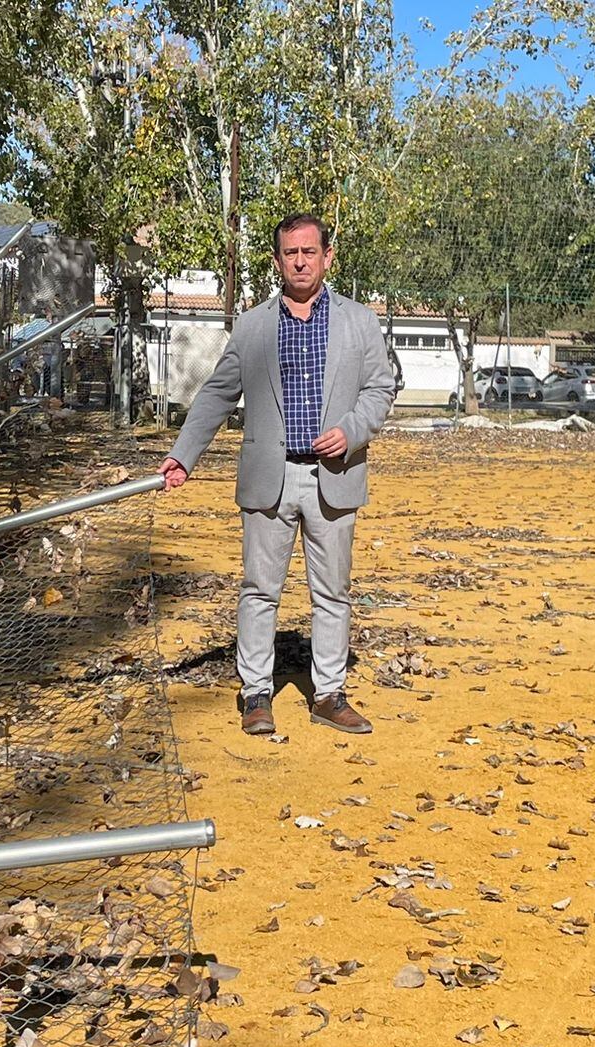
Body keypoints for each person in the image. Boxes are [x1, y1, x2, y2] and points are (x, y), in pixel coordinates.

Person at [160, 213, 399, 736]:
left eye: (310, 252)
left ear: (327, 256)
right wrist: (184, 454)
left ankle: (330, 694)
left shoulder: (359, 321)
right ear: (277, 260)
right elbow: (219, 394)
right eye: (291, 253)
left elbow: (381, 389)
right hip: (269, 478)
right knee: (259, 590)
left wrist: (352, 430)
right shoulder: (252, 326)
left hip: (334, 475)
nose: (300, 261)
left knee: (332, 593)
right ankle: (256, 695)